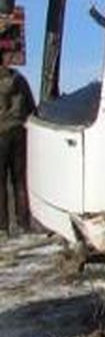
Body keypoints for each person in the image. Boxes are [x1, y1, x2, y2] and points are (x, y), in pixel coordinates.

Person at [0, 64, 34, 235]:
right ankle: (24, 223)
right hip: (20, 132)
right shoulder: (20, 80)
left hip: (1, 133)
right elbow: (31, 107)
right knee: (20, 180)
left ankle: (2, 227)